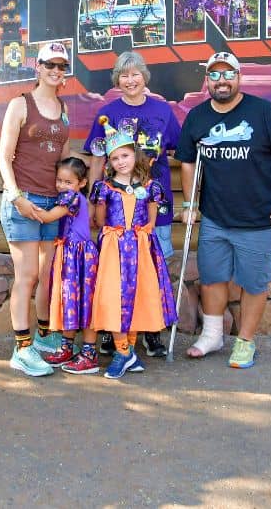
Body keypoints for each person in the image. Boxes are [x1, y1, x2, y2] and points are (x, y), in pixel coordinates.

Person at [176, 51, 271, 369]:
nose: (222, 80)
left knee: (254, 282)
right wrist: (191, 203)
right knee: (212, 278)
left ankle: (245, 342)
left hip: (259, 218)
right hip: (216, 217)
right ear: (207, 80)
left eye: (227, 74)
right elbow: (189, 162)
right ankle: (213, 336)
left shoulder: (264, 112)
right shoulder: (198, 116)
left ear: (239, 76)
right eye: (215, 75)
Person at [83, 51, 181, 358]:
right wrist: (92, 198)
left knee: (151, 270)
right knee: (115, 274)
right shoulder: (108, 112)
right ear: (116, 80)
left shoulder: (163, 111)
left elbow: (179, 150)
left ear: (145, 77)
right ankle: (114, 331)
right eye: (123, 75)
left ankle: (151, 332)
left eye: (135, 74)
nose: (130, 80)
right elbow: (98, 158)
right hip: (115, 211)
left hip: (151, 205)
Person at [66, 117, 177, 379]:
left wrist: (145, 230)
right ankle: (124, 351)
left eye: (125, 155)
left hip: (140, 246)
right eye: (114, 159)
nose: (121, 162)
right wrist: (115, 235)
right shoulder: (105, 188)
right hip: (114, 248)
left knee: (137, 295)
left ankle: (127, 353)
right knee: (113, 295)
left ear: (134, 155)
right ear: (109, 163)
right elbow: (101, 219)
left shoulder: (150, 186)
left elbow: (152, 214)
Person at [0, 42, 71, 377]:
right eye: (50, 65)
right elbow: (4, 156)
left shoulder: (63, 109)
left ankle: (42, 336)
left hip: (52, 204)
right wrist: (16, 198)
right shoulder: (20, 104)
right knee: (25, 276)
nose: (56, 71)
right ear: (37, 67)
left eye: (61, 66)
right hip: (23, 201)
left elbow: (64, 162)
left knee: (45, 276)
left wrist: (69, 196)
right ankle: (22, 348)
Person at [24, 157, 98, 367]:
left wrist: (23, 204)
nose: (62, 186)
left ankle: (89, 352)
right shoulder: (69, 196)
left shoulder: (72, 198)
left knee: (85, 302)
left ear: (81, 183)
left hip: (80, 256)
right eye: (59, 181)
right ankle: (67, 347)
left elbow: (48, 217)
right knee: (70, 301)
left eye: (68, 182)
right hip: (69, 254)